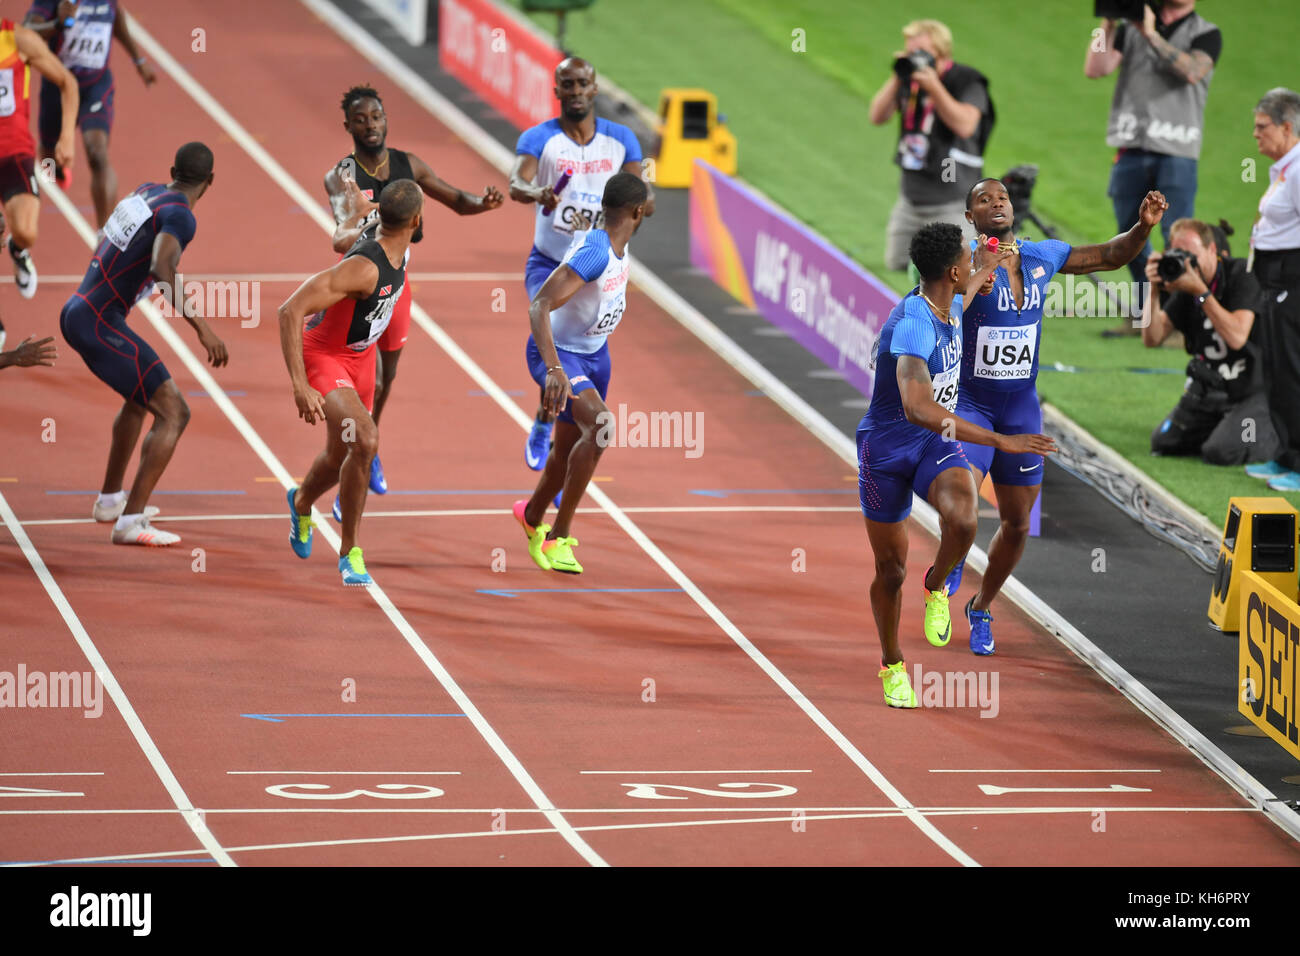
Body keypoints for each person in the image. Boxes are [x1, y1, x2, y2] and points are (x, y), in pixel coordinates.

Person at [947, 179, 1167, 654]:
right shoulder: (958, 261)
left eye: (1002, 196)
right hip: (971, 403)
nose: (997, 202)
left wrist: (1143, 228)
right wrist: (974, 275)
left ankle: (981, 607)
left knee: (1018, 523)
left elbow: (1109, 256)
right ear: (971, 218)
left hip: (1021, 407)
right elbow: (935, 313)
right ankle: (951, 559)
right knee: (962, 503)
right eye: (984, 200)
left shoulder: (1041, 255)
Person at [858, 222, 1054, 708]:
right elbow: (918, 408)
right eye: (968, 262)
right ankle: (892, 664)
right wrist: (998, 440)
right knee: (890, 571)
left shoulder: (951, 297)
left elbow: (970, 278)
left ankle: (937, 585)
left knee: (965, 520)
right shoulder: (914, 325)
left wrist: (990, 258)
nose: (975, 270)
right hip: (885, 452)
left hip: (930, 445)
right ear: (951, 270)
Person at [322, 85, 502, 515]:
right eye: (361, 119)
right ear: (348, 126)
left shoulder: (407, 164)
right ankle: (356, 459)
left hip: (398, 281)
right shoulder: (341, 175)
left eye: (377, 117)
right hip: (362, 281)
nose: (371, 125)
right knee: (373, 380)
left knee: (388, 378)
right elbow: (342, 230)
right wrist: (365, 219)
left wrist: (484, 203)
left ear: (386, 119)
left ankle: (370, 443)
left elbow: (456, 201)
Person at [58, 142, 225, 546]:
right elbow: (161, 266)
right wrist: (202, 327)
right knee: (174, 412)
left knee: (139, 399)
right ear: (210, 182)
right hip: (97, 321)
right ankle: (130, 522)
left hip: (83, 310)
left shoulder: (147, 191)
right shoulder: (182, 216)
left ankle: (111, 501)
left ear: (172, 170)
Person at [510, 57, 653, 471]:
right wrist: (536, 193)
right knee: (553, 330)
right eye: (567, 85)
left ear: (594, 89)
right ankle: (544, 418)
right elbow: (517, 181)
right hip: (552, 261)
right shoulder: (541, 138)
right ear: (557, 92)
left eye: (582, 84)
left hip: (602, 260)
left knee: (585, 339)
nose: (574, 91)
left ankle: (557, 433)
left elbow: (644, 187)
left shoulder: (622, 138)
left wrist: (644, 198)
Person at [280, 180, 422, 588]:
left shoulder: (398, 241)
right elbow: (289, 311)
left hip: (360, 359)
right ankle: (351, 552)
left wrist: (356, 211)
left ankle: (302, 499)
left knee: (340, 450)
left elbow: (349, 229)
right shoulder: (363, 267)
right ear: (416, 220)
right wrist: (299, 387)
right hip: (324, 357)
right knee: (367, 439)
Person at [513, 172, 647, 575]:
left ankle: (532, 515)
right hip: (560, 356)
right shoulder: (596, 252)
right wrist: (554, 369)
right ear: (638, 212)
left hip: (594, 356)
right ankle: (559, 536)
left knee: (566, 449)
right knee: (602, 425)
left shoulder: (617, 247)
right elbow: (539, 306)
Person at [1085, 0, 1220, 294]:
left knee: (1179, 236)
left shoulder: (1206, 33)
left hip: (1177, 151)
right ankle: (1149, 311)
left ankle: (1178, 314)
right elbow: (1095, 67)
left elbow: (1193, 71)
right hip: (1131, 147)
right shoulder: (1130, 26)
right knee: (1128, 232)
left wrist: (1150, 35)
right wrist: (1107, 23)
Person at [1142, 218, 1275, 466]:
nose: (1186, 262)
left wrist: (1201, 293)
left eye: (1191, 254)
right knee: (1163, 442)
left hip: (1253, 392)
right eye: (1178, 254)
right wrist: (1153, 291)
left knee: (1220, 452)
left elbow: (1236, 337)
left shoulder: (1243, 275)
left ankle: (1275, 430)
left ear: (1212, 250)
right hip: (1211, 392)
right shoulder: (1186, 286)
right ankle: (1224, 428)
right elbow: (1152, 338)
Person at [869, 19, 993, 273]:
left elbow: (965, 126)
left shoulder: (967, 80)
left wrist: (934, 86)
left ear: (942, 52)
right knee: (897, 264)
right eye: (910, 51)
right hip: (911, 199)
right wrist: (897, 75)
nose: (915, 58)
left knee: (953, 275)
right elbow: (877, 116)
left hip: (952, 203)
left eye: (922, 52)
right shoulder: (908, 81)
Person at [24, 0, 155, 228]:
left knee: (97, 153)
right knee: (47, 159)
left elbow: (117, 18)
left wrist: (138, 59)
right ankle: (59, 173)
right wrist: (57, 23)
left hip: (95, 86)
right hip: (58, 86)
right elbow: (27, 31)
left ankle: (103, 233)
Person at [1240, 89, 1300, 491]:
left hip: (1291, 282)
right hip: (1275, 281)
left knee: (1292, 372)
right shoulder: (1283, 168)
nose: (1256, 135)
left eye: (1262, 128)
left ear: (1287, 126)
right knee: (1278, 373)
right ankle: (1285, 454)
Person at [0, 15, 77, 298]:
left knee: (27, 232)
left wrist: (66, 137)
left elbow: (68, 83)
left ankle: (18, 250)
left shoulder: (18, 41)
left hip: (14, 154)